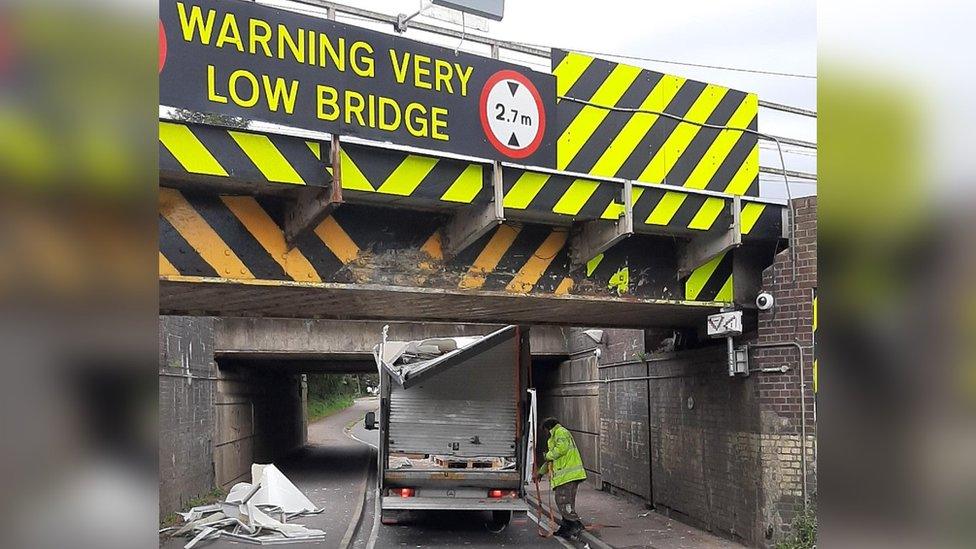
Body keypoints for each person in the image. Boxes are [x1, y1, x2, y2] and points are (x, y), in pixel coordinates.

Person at [535, 416, 587, 538]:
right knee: (564, 501)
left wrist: (547, 455)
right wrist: (541, 472)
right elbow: (551, 461)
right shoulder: (555, 436)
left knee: (563, 500)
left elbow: (561, 450)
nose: (545, 434)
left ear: (548, 428)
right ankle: (568, 525)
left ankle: (573, 524)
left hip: (568, 475)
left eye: (545, 431)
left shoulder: (561, 432)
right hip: (565, 476)